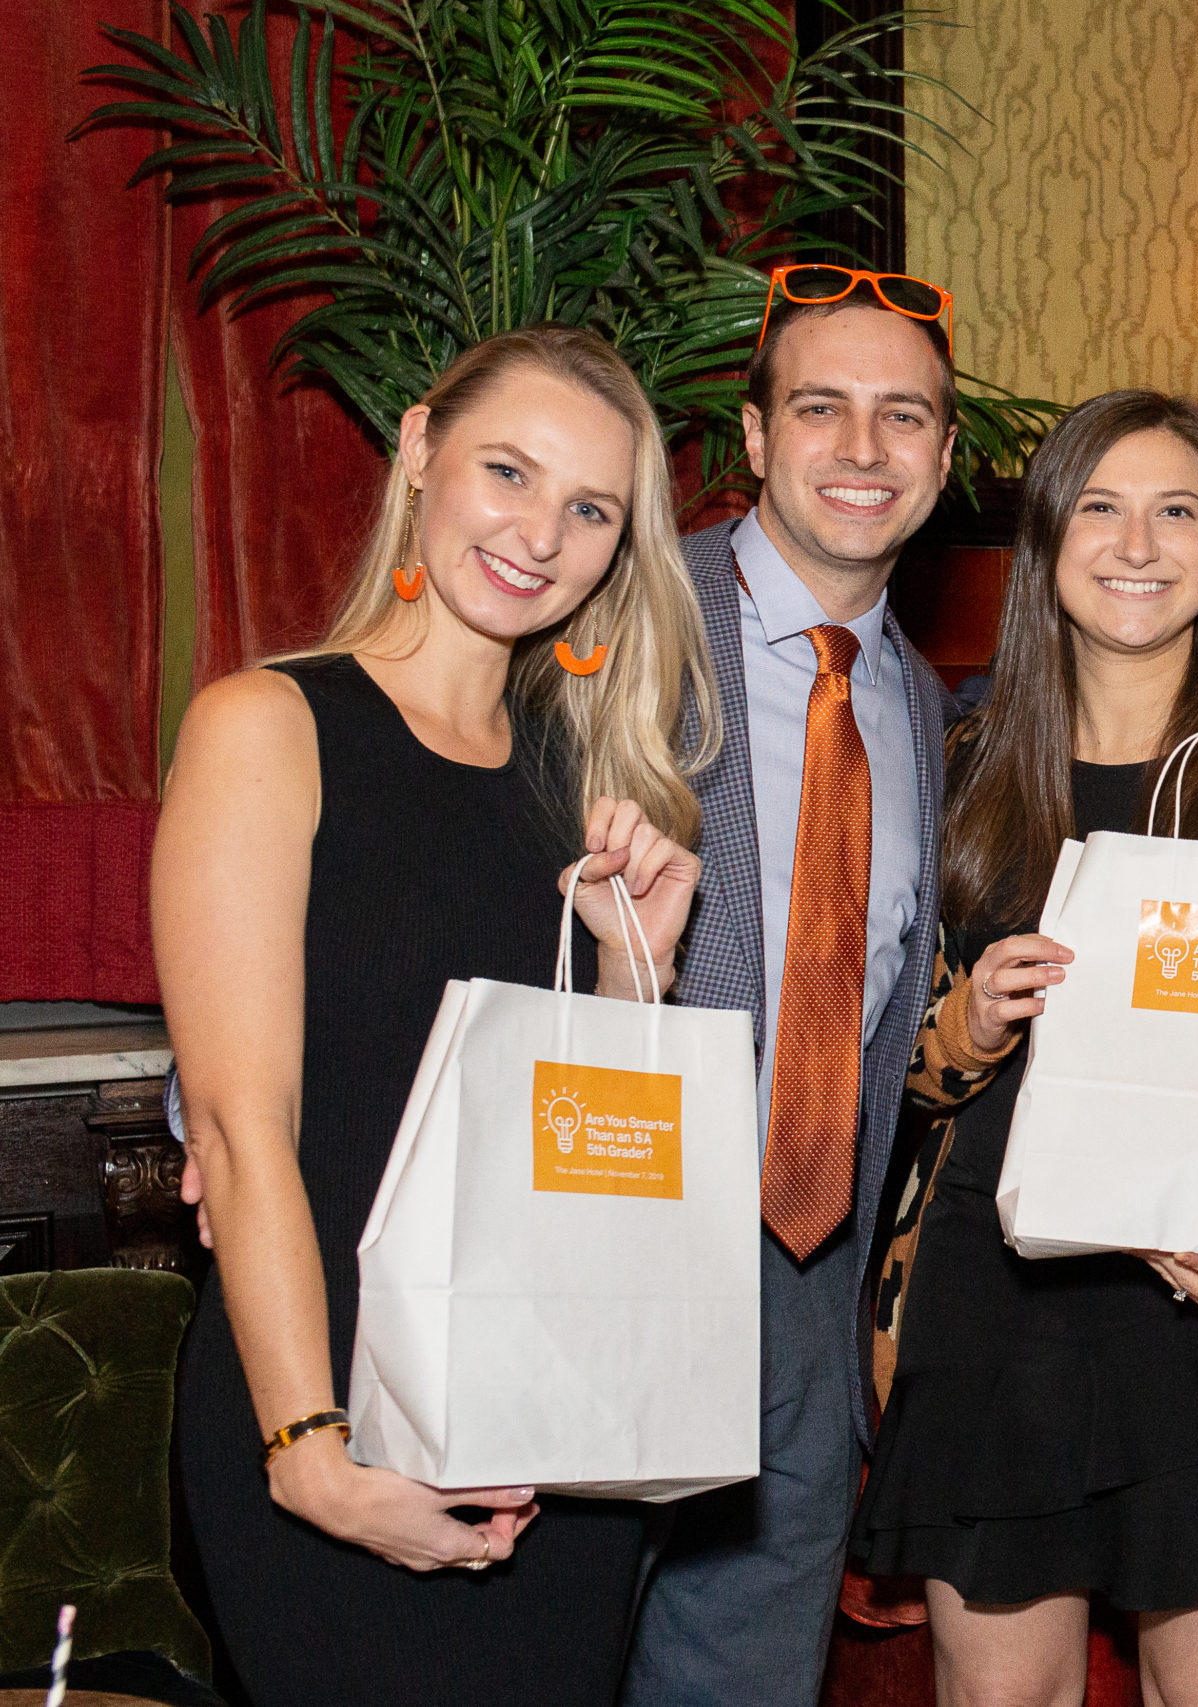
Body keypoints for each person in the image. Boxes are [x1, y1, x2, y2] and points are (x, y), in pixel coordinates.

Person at [155, 324, 718, 1707]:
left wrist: (630, 968)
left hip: (545, 1436)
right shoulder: (268, 727)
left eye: (591, 509)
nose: (543, 534)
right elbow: (239, 1134)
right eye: (508, 473)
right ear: (418, 452)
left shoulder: (580, 776)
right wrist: (310, 1451)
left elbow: (579, 1159)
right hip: (323, 1404)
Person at [851, 388, 1198, 1706]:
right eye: (1099, 507)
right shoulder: (960, 756)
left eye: (1176, 511)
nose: (1138, 543)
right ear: (1043, 548)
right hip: (989, 1296)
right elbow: (896, 1074)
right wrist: (969, 1018)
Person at [619, 266, 959, 1706]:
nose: (864, 450)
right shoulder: (618, 612)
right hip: (606, 1240)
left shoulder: (924, 702)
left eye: (905, 417)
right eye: (822, 409)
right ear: (755, 438)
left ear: (945, 456)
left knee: (747, 1663)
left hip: (807, 1270)